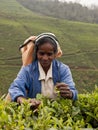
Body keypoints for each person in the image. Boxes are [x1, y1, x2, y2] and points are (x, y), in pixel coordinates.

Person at [7, 32, 78, 107]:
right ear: (36, 53)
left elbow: (73, 91)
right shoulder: (28, 70)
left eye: (49, 54)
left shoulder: (63, 69)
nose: (45, 58)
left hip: (58, 113)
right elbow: (15, 87)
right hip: (34, 113)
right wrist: (24, 101)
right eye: (41, 53)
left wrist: (70, 94)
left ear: (55, 54)